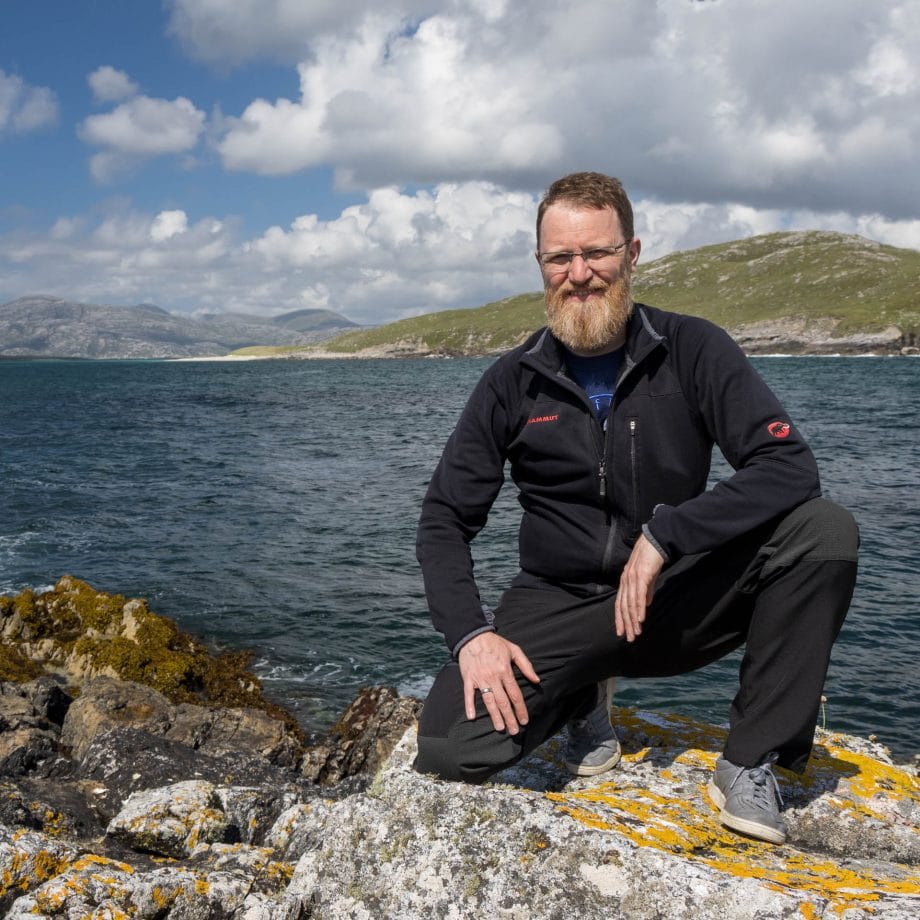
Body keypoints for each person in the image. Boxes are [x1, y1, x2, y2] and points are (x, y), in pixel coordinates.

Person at [413, 171, 859, 845]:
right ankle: (580, 696)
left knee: (824, 532)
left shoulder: (693, 349)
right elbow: (444, 519)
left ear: (633, 253)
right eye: (560, 257)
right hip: (557, 604)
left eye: (598, 253)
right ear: (540, 264)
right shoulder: (511, 381)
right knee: (451, 745)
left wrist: (667, 536)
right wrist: (472, 637)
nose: (581, 273)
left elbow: (789, 467)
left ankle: (748, 760)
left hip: (673, 596)